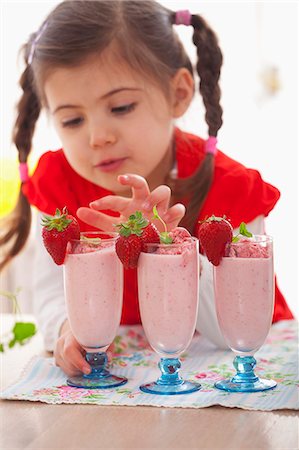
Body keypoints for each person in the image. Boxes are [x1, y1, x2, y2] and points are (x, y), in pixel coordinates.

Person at [1, 0, 293, 376]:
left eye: (120, 107)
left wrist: (176, 249)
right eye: (73, 120)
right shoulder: (60, 181)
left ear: (179, 93)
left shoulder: (232, 188)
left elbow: (231, 332)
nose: (98, 137)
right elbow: (52, 290)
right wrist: (66, 328)